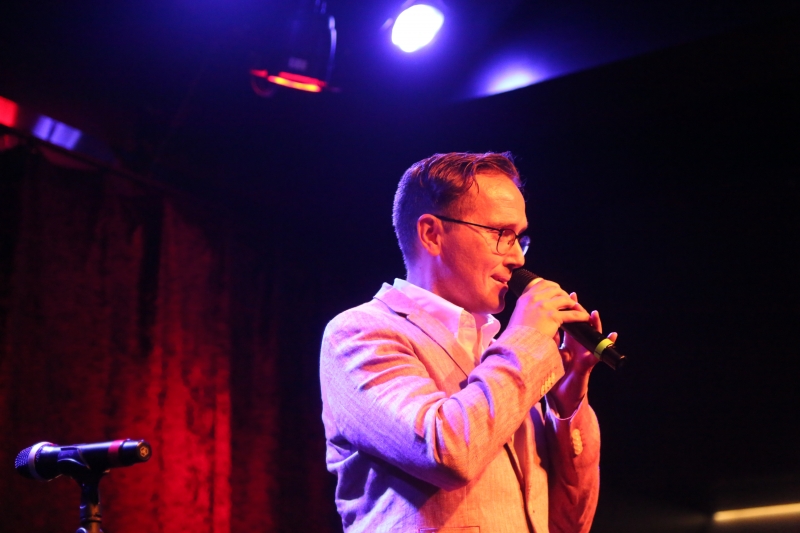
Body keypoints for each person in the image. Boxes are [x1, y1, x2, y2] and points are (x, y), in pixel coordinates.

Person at [320, 152, 616, 532]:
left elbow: (570, 523)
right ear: (432, 233)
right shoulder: (361, 332)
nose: (516, 259)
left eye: (520, 238)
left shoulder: (502, 357)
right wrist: (526, 338)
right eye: (500, 234)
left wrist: (568, 396)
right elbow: (444, 452)